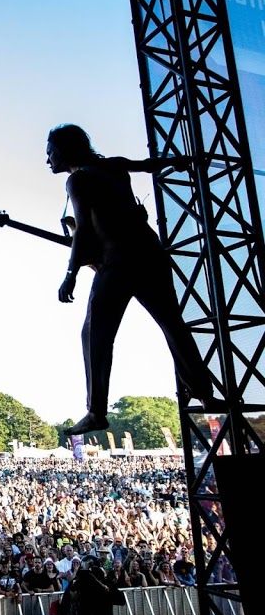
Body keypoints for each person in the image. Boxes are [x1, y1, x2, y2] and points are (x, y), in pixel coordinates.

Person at [46, 123, 216, 435]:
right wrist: (181, 162)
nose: (48, 160)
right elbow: (146, 165)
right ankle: (205, 393)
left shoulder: (78, 179)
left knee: (95, 333)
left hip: (119, 261)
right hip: (150, 253)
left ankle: (96, 411)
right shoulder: (111, 166)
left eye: (50, 152)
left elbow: (83, 231)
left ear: (65, 150)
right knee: (172, 325)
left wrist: (70, 276)